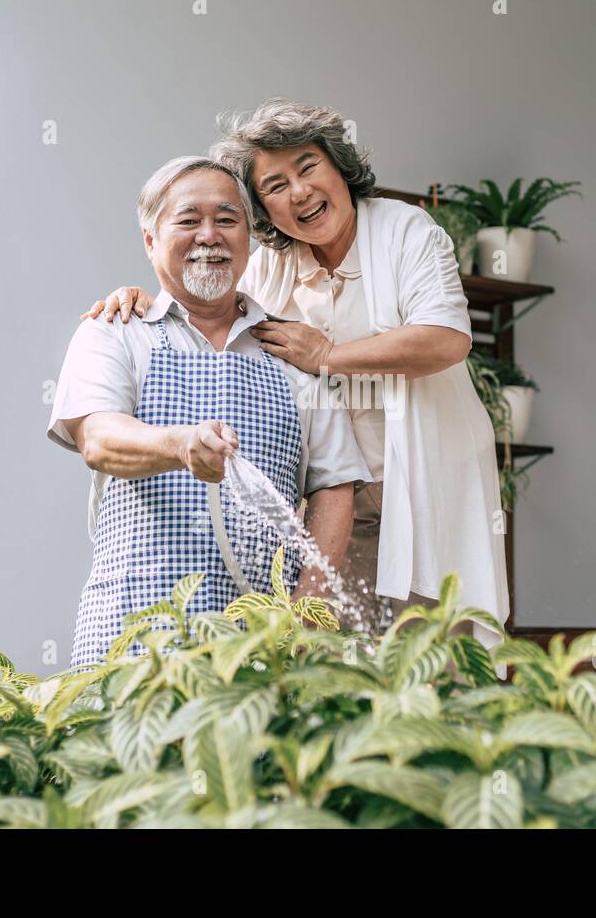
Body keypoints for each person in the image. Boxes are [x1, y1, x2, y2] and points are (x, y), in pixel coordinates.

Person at [80, 99, 508, 654]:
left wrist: (328, 354)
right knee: (342, 661)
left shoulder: (405, 229)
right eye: (274, 186)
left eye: (308, 167)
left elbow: (445, 338)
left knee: (431, 655)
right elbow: (212, 297)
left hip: (422, 483)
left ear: (339, 166)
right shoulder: (272, 263)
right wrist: (137, 298)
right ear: (262, 210)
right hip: (338, 495)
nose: (299, 192)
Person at [47, 156, 369, 669]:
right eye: (187, 219)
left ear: (249, 237)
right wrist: (179, 446)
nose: (209, 235)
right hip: (135, 635)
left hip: (263, 647)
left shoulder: (292, 351)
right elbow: (99, 439)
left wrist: (305, 616)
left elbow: (334, 487)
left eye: (226, 219)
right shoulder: (113, 332)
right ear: (150, 240)